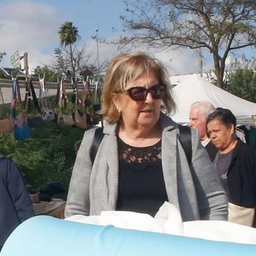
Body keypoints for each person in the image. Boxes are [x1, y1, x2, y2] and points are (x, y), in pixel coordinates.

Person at [66, 52, 227, 220]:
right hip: (112, 246)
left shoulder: (186, 141)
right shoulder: (94, 142)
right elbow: (76, 209)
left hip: (173, 246)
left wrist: (204, 242)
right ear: (116, 101)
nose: (149, 99)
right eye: (138, 92)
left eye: (156, 91)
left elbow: (214, 203)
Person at [205, 108, 256, 229]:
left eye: (216, 131)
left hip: (246, 223)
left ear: (231, 128)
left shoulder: (250, 156)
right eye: (210, 132)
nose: (213, 136)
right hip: (216, 221)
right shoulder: (208, 154)